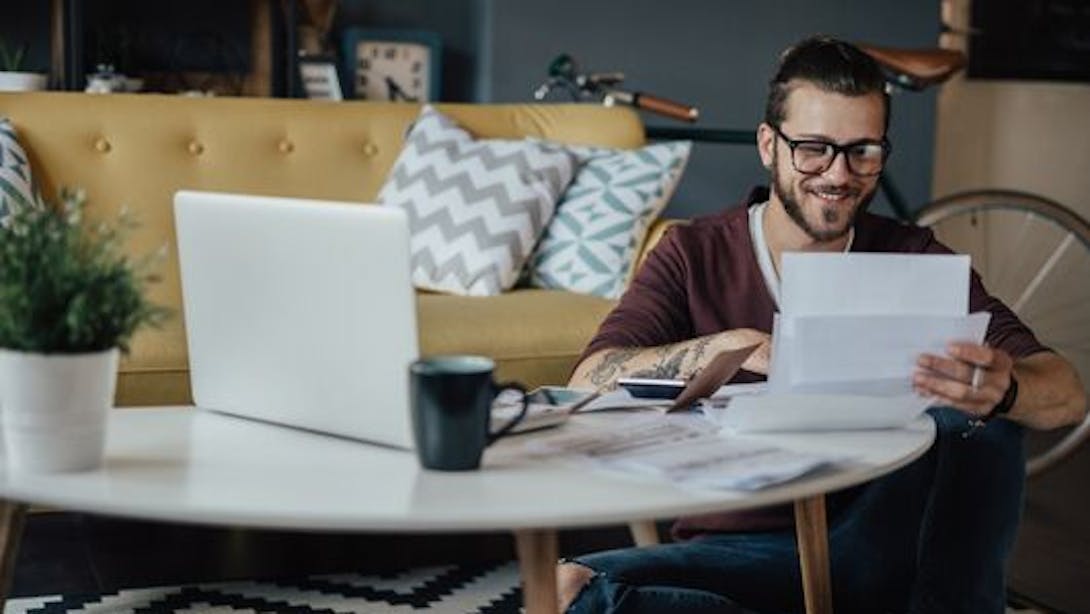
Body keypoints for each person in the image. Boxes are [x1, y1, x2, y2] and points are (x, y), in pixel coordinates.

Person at [557, 36, 1087, 614]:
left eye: (863, 151)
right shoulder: (693, 252)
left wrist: (1003, 387)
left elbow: (1065, 394)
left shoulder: (911, 256)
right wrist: (730, 347)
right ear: (769, 145)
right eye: (813, 148)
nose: (838, 174)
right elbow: (587, 378)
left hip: (870, 541)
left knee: (981, 422)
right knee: (565, 591)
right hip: (742, 550)